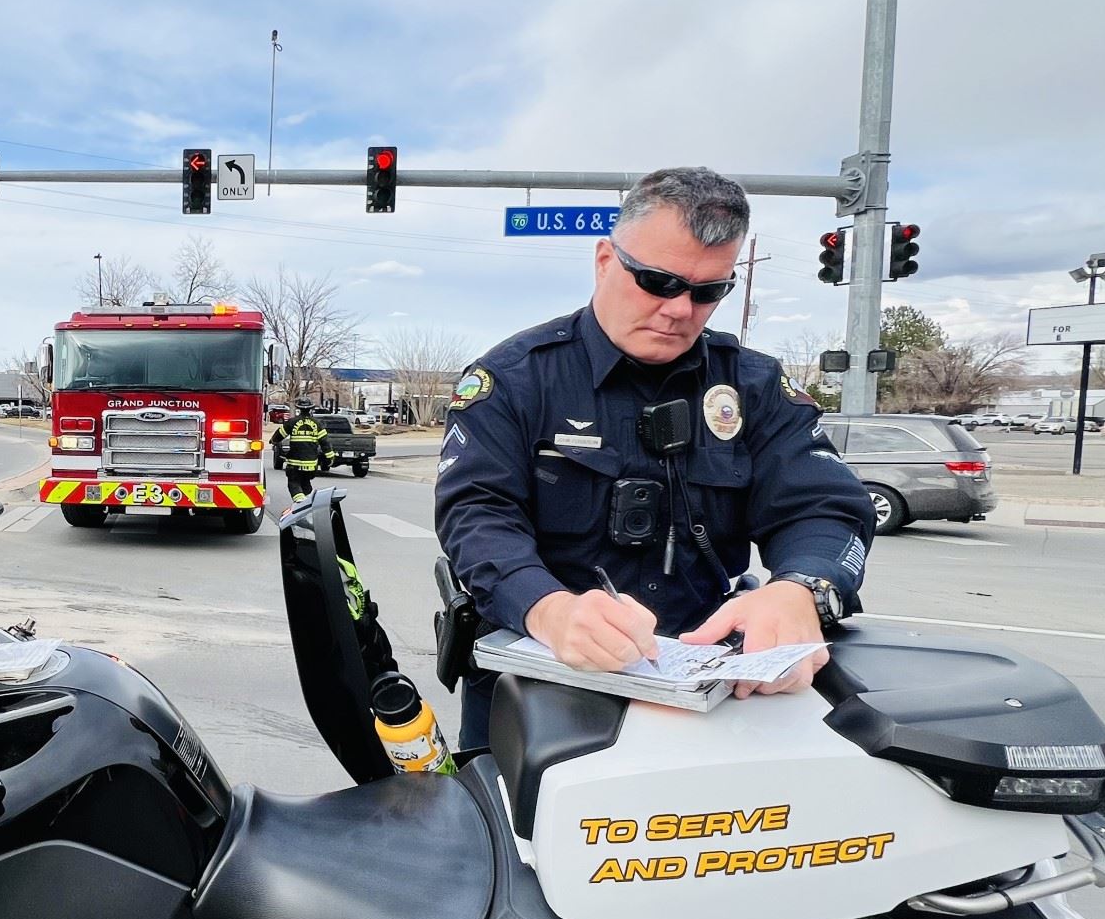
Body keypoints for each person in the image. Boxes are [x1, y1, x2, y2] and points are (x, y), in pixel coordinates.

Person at [435, 166, 874, 740]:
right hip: (541, 687)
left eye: (708, 291)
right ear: (604, 260)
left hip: (709, 688)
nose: (680, 310)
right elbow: (475, 512)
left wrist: (800, 590)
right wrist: (546, 607)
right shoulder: (517, 380)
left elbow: (826, 509)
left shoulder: (753, 387)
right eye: (659, 282)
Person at [275, 405, 328, 501]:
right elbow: (325, 443)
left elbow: (279, 435)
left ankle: (301, 502)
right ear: (310, 409)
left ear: (299, 409)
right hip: (311, 465)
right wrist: (330, 457)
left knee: (293, 483)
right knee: (305, 482)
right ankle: (308, 501)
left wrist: (273, 440)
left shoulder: (292, 422)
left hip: (295, 463)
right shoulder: (317, 424)